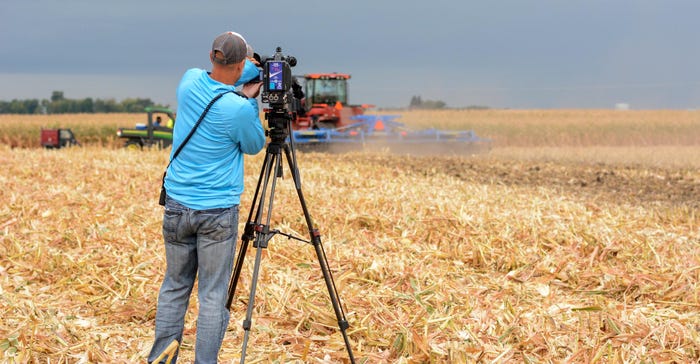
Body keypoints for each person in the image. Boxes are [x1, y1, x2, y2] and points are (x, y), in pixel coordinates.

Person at [148, 31, 266, 364]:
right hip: (216, 212)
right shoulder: (238, 109)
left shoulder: (188, 82)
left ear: (213, 57)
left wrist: (245, 72)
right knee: (213, 296)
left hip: (176, 206)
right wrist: (252, 95)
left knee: (174, 286)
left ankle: (161, 358)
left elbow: (224, 74)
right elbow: (255, 146)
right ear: (242, 62)